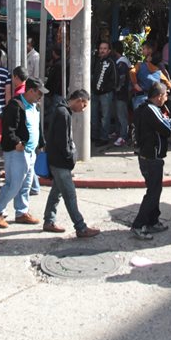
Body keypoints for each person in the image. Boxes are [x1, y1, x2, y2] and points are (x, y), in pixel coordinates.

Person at [41, 89, 100, 237]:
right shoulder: (63, 113)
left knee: (57, 192)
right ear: (79, 100)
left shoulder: (62, 110)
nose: (83, 109)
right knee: (69, 195)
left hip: (56, 161)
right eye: (84, 105)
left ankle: (49, 220)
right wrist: (70, 158)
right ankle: (80, 227)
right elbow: (63, 142)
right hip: (60, 163)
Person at [0, 78, 46, 227]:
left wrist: (40, 144)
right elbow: (8, 129)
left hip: (30, 151)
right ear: (31, 91)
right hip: (17, 152)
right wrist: (16, 143)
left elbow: (37, 127)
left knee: (25, 185)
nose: (41, 96)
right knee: (13, 185)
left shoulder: (35, 106)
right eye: (39, 93)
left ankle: (21, 212)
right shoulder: (15, 106)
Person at [129, 83, 171, 241]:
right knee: (153, 193)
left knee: (154, 190)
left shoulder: (142, 108)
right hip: (151, 156)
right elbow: (167, 129)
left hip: (145, 155)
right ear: (159, 96)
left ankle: (153, 220)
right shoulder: (152, 111)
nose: (167, 98)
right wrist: (168, 118)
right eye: (165, 95)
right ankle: (138, 224)